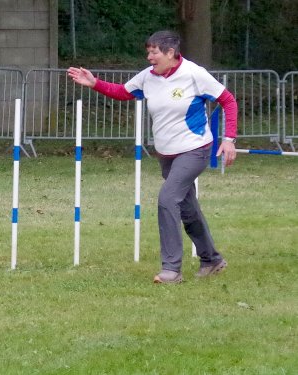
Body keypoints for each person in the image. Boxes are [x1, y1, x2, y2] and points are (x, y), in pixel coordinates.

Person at [67, 30, 238, 283]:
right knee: (187, 208)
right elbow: (123, 91)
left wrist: (229, 139)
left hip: (195, 150)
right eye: (148, 51)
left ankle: (171, 269)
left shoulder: (194, 74)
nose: (149, 57)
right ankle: (211, 259)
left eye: (154, 52)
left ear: (170, 53)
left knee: (167, 198)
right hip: (166, 155)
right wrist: (95, 83)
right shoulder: (148, 77)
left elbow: (228, 100)